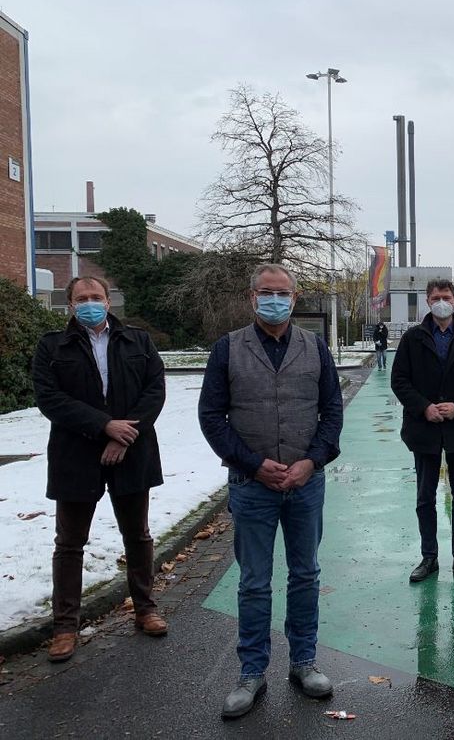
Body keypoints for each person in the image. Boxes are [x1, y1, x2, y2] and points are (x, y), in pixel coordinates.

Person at [198, 263, 343, 719]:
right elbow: (211, 417)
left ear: (295, 298)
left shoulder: (315, 348)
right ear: (252, 297)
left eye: (282, 293)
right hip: (251, 486)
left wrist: (311, 461)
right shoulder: (228, 349)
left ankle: (304, 662)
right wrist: (253, 464)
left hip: (305, 485)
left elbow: (332, 412)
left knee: (305, 575)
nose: (274, 300)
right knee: (254, 582)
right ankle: (251, 672)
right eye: (266, 292)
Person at [32, 276, 168, 663]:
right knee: (69, 543)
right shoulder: (52, 346)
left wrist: (124, 436)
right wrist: (104, 426)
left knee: (137, 535)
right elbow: (49, 398)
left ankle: (145, 609)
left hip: (131, 452)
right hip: (75, 454)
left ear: (109, 301)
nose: (89, 303)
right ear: (70, 304)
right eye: (82, 298)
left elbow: (154, 391)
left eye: (96, 297)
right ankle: (65, 627)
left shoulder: (138, 341)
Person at [391, 279, 454, 584]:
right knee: (425, 497)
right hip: (423, 429)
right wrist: (424, 407)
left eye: (446, 297)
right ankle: (429, 557)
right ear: (427, 301)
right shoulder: (412, 339)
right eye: (436, 297)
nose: (441, 302)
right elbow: (399, 380)